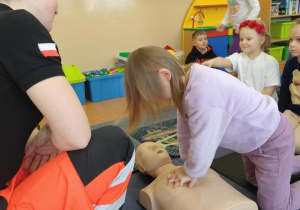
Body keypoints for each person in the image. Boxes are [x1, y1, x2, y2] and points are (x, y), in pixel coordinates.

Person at [124, 45, 300, 210]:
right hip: (252, 143)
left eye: (151, 94)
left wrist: (192, 171)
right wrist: (187, 163)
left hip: (271, 141)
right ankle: (286, 164)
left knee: (276, 206)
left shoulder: (203, 95)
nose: (154, 101)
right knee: (254, 181)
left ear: (164, 75)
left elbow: (204, 141)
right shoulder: (185, 80)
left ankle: (281, 165)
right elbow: (185, 126)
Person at [0, 0, 134, 209]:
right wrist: (56, 132)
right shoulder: (19, 23)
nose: (58, 8)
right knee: (116, 143)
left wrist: (51, 131)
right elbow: (75, 136)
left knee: (38, 155)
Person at [136, 142, 258, 210]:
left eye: (159, 146)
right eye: (148, 148)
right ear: (141, 167)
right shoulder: (150, 191)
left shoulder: (196, 165)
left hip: (242, 204)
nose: (156, 147)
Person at [203, 20, 280, 101]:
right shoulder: (239, 57)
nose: (243, 42)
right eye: (241, 39)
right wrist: (211, 62)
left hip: (264, 105)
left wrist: (255, 101)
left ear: (261, 40)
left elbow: (270, 89)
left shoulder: (270, 62)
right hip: (246, 103)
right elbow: (225, 61)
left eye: (248, 39)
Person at [278, 19, 300, 154]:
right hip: (291, 111)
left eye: (298, 40)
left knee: (296, 145)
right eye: (290, 40)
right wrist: (279, 116)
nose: (292, 45)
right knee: (276, 138)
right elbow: (284, 92)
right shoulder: (290, 64)